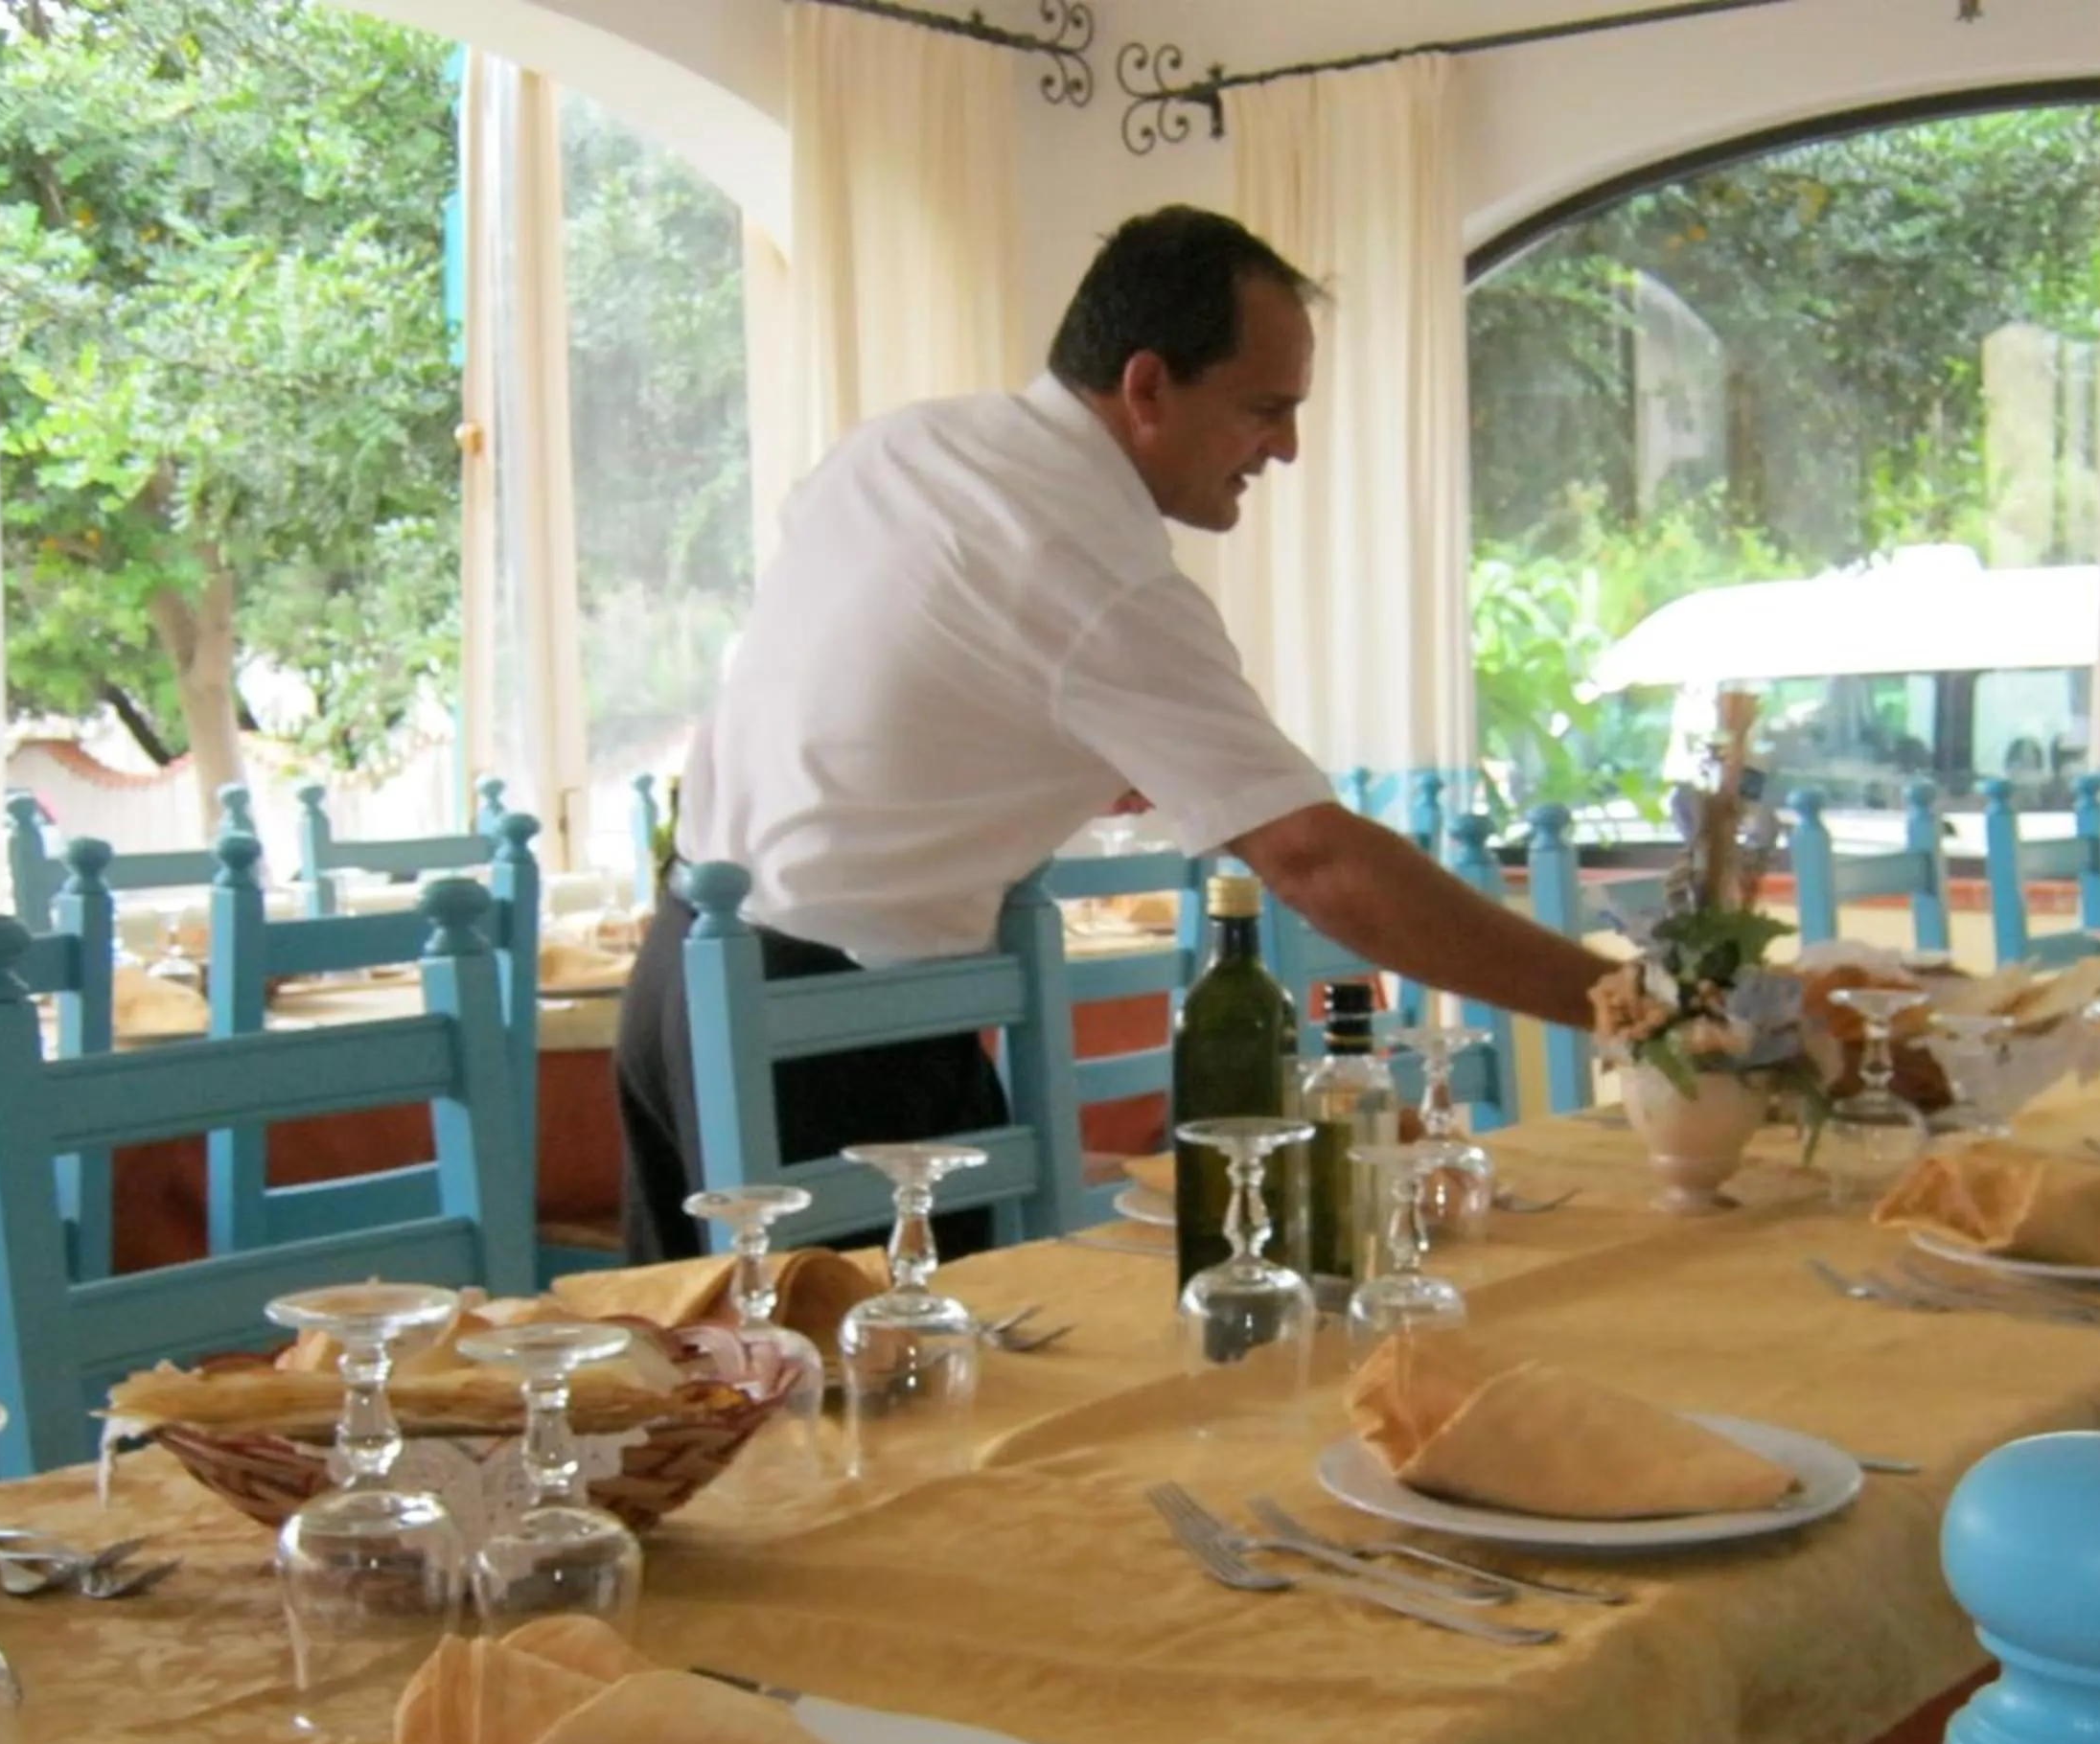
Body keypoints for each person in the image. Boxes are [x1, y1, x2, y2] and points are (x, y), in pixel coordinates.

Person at [614, 204, 1623, 1264]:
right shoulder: (1103, 571)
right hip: (839, 1042)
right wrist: (1626, 1003)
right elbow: (1318, 863)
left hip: (676, 976)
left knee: (700, 1403)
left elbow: (864, 660)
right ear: (1147, 388)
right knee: (893, 1416)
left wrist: (1034, 752)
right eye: (1264, 409)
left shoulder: (905, 443)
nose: (1285, 447)